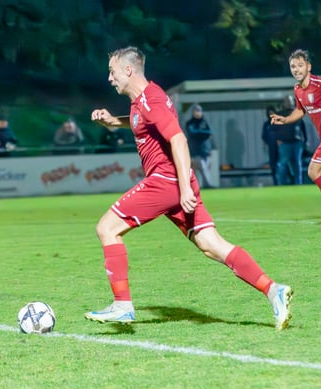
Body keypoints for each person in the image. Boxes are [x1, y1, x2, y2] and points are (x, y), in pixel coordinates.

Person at [86, 46, 292, 331]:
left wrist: (183, 189)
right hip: (176, 183)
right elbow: (142, 123)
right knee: (212, 245)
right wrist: (113, 122)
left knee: (107, 228)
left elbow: (179, 140)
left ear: (128, 70)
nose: (110, 78)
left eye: (112, 72)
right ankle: (273, 290)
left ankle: (122, 306)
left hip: (166, 181)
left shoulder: (152, 99)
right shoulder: (141, 101)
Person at [270, 49, 321, 225]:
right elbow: (300, 110)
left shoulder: (320, 84)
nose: (296, 69)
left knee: (313, 171)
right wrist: (285, 119)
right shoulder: (298, 90)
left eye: (300, 65)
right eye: (293, 66)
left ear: (308, 67)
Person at [275, 95, 307, 185]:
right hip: (284, 143)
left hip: (297, 143)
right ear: (284, 103)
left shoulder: (298, 113)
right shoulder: (280, 114)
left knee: (297, 164)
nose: (289, 103)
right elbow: (275, 128)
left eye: (291, 101)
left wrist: (304, 140)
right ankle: (281, 184)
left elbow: (302, 128)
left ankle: (299, 184)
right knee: (283, 164)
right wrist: (278, 140)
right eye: (287, 101)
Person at [185, 103, 215, 188]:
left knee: (204, 168)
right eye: (196, 111)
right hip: (195, 150)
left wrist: (200, 133)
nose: (197, 113)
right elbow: (192, 133)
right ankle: (207, 185)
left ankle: (198, 186)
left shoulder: (205, 122)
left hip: (205, 150)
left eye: (199, 111)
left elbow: (209, 132)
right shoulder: (190, 123)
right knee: (202, 167)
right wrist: (202, 133)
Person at [261, 105, 279, 185]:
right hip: (271, 148)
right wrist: (268, 142)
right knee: (273, 165)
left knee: (282, 164)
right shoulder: (266, 124)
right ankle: (275, 182)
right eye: (269, 113)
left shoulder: (279, 122)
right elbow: (264, 136)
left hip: (280, 147)